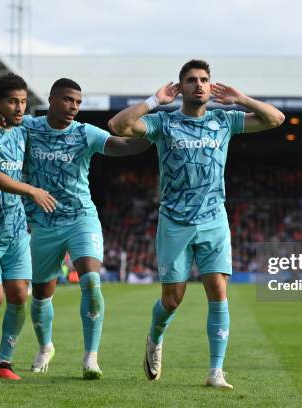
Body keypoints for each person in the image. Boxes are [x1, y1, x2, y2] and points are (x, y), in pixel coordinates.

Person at [108, 59, 285, 388]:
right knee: (173, 299)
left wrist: (241, 98)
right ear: (181, 87)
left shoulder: (225, 120)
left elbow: (276, 119)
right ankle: (155, 337)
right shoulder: (164, 123)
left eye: (204, 79)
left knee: (218, 291)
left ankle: (216, 371)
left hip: (214, 218)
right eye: (191, 80)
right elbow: (117, 126)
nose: (199, 85)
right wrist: (153, 101)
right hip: (174, 221)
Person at [0, 78, 151, 379]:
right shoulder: (29, 127)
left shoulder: (86, 133)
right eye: (69, 100)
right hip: (42, 223)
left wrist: (155, 134)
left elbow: (123, 146)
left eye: (79, 102)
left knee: (91, 282)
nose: (74, 107)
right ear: (52, 100)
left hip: (80, 218)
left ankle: (90, 357)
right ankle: (46, 346)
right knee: (42, 295)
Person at [0, 73, 57, 380]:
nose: (19, 108)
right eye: (13, 102)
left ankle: (4, 362)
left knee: (18, 295)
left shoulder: (24, 127)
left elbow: (54, 122)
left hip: (16, 230)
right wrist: (31, 190)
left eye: (23, 102)